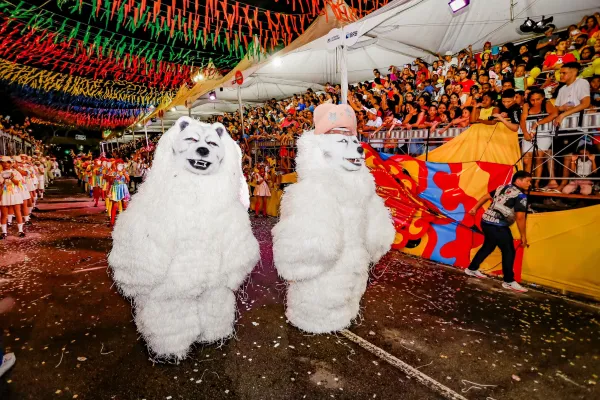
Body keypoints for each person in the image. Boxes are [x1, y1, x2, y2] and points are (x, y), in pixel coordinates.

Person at [466, 170, 532, 293]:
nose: (529, 184)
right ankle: (508, 281)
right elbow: (520, 217)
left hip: (486, 221)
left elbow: (486, 196)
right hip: (498, 225)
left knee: (488, 246)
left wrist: (475, 208)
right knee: (508, 251)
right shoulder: (520, 196)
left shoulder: (502, 188)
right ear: (518, 181)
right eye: (528, 181)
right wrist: (523, 236)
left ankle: (472, 268)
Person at [553, 62, 591, 191]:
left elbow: (586, 103)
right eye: (560, 73)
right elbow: (556, 107)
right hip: (564, 126)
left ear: (574, 72)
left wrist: (564, 114)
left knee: (569, 154)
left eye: (564, 73)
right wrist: (561, 109)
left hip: (577, 125)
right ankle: (559, 182)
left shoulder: (581, 83)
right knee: (559, 154)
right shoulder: (562, 89)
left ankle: (565, 183)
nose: (561, 75)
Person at [519, 88, 559, 189]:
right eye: (532, 100)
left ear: (543, 98)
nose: (535, 102)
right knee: (527, 160)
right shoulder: (526, 105)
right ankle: (527, 182)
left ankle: (536, 182)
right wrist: (525, 133)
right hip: (528, 133)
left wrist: (537, 123)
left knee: (538, 158)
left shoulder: (547, 104)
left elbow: (554, 114)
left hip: (544, 133)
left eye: (538, 99)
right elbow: (523, 120)